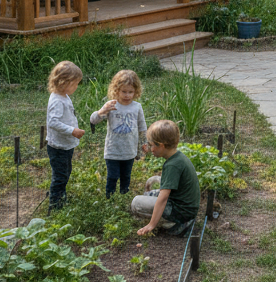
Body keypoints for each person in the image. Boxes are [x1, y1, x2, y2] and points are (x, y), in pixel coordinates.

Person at [131, 120, 200, 237]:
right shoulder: (178, 157)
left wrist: (151, 225)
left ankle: (173, 223)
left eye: (152, 145)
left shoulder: (172, 165)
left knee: (136, 203)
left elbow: (163, 198)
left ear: (161, 145)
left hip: (182, 212)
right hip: (186, 206)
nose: (150, 148)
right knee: (147, 195)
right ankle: (168, 220)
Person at [90, 69, 148, 197]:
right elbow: (93, 120)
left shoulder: (137, 107)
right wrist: (102, 111)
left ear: (136, 91)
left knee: (126, 176)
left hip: (129, 150)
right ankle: (109, 197)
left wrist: (145, 142)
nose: (127, 95)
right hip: (113, 150)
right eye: (124, 91)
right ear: (116, 90)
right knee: (113, 176)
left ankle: (123, 195)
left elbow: (142, 126)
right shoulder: (111, 105)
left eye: (130, 92)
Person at [45, 61, 85, 210]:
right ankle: (54, 205)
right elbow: (53, 122)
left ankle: (61, 197)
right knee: (60, 176)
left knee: (65, 172)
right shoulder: (57, 100)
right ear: (63, 82)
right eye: (74, 84)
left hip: (65, 144)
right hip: (58, 147)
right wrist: (72, 130)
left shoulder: (63, 96)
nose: (76, 87)